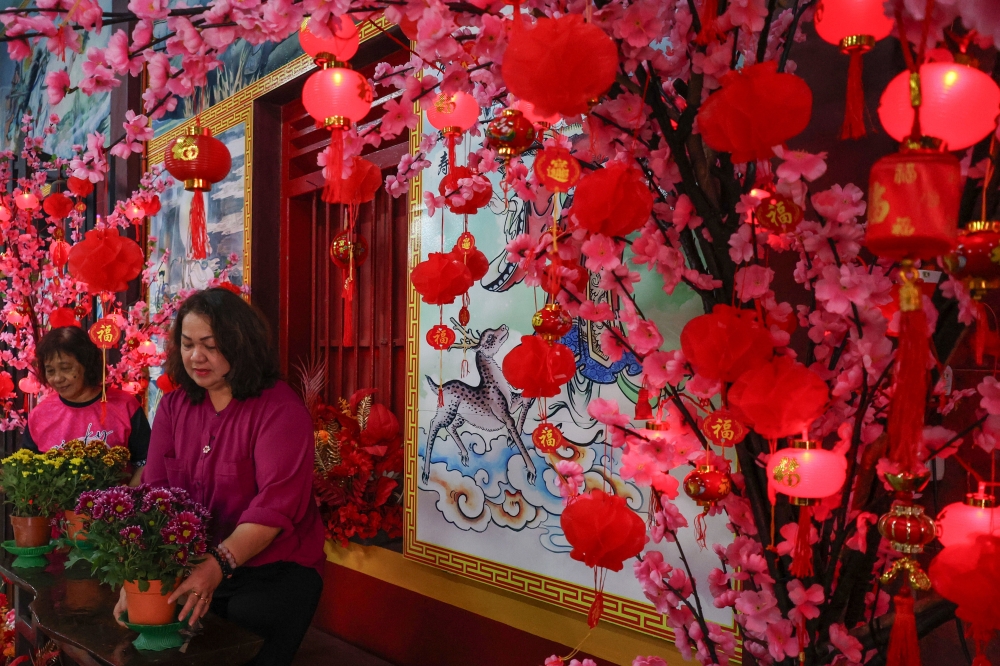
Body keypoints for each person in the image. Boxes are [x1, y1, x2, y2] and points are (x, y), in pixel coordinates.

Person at [131, 288, 325, 666]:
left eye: (210, 345)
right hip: (194, 563)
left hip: (273, 569)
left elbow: (273, 508)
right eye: (187, 344)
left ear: (241, 344)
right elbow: (156, 492)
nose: (196, 357)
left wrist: (217, 565)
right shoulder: (174, 406)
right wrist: (141, 575)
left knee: (243, 634)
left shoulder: (280, 410)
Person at [22, 326, 149, 484]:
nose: (57, 378)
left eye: (66, 368)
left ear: (87, 365)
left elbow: (146, 461)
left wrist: (128, 495)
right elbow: (27, 470)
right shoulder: (40, 415)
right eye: (50, 371)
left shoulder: (125, 406)